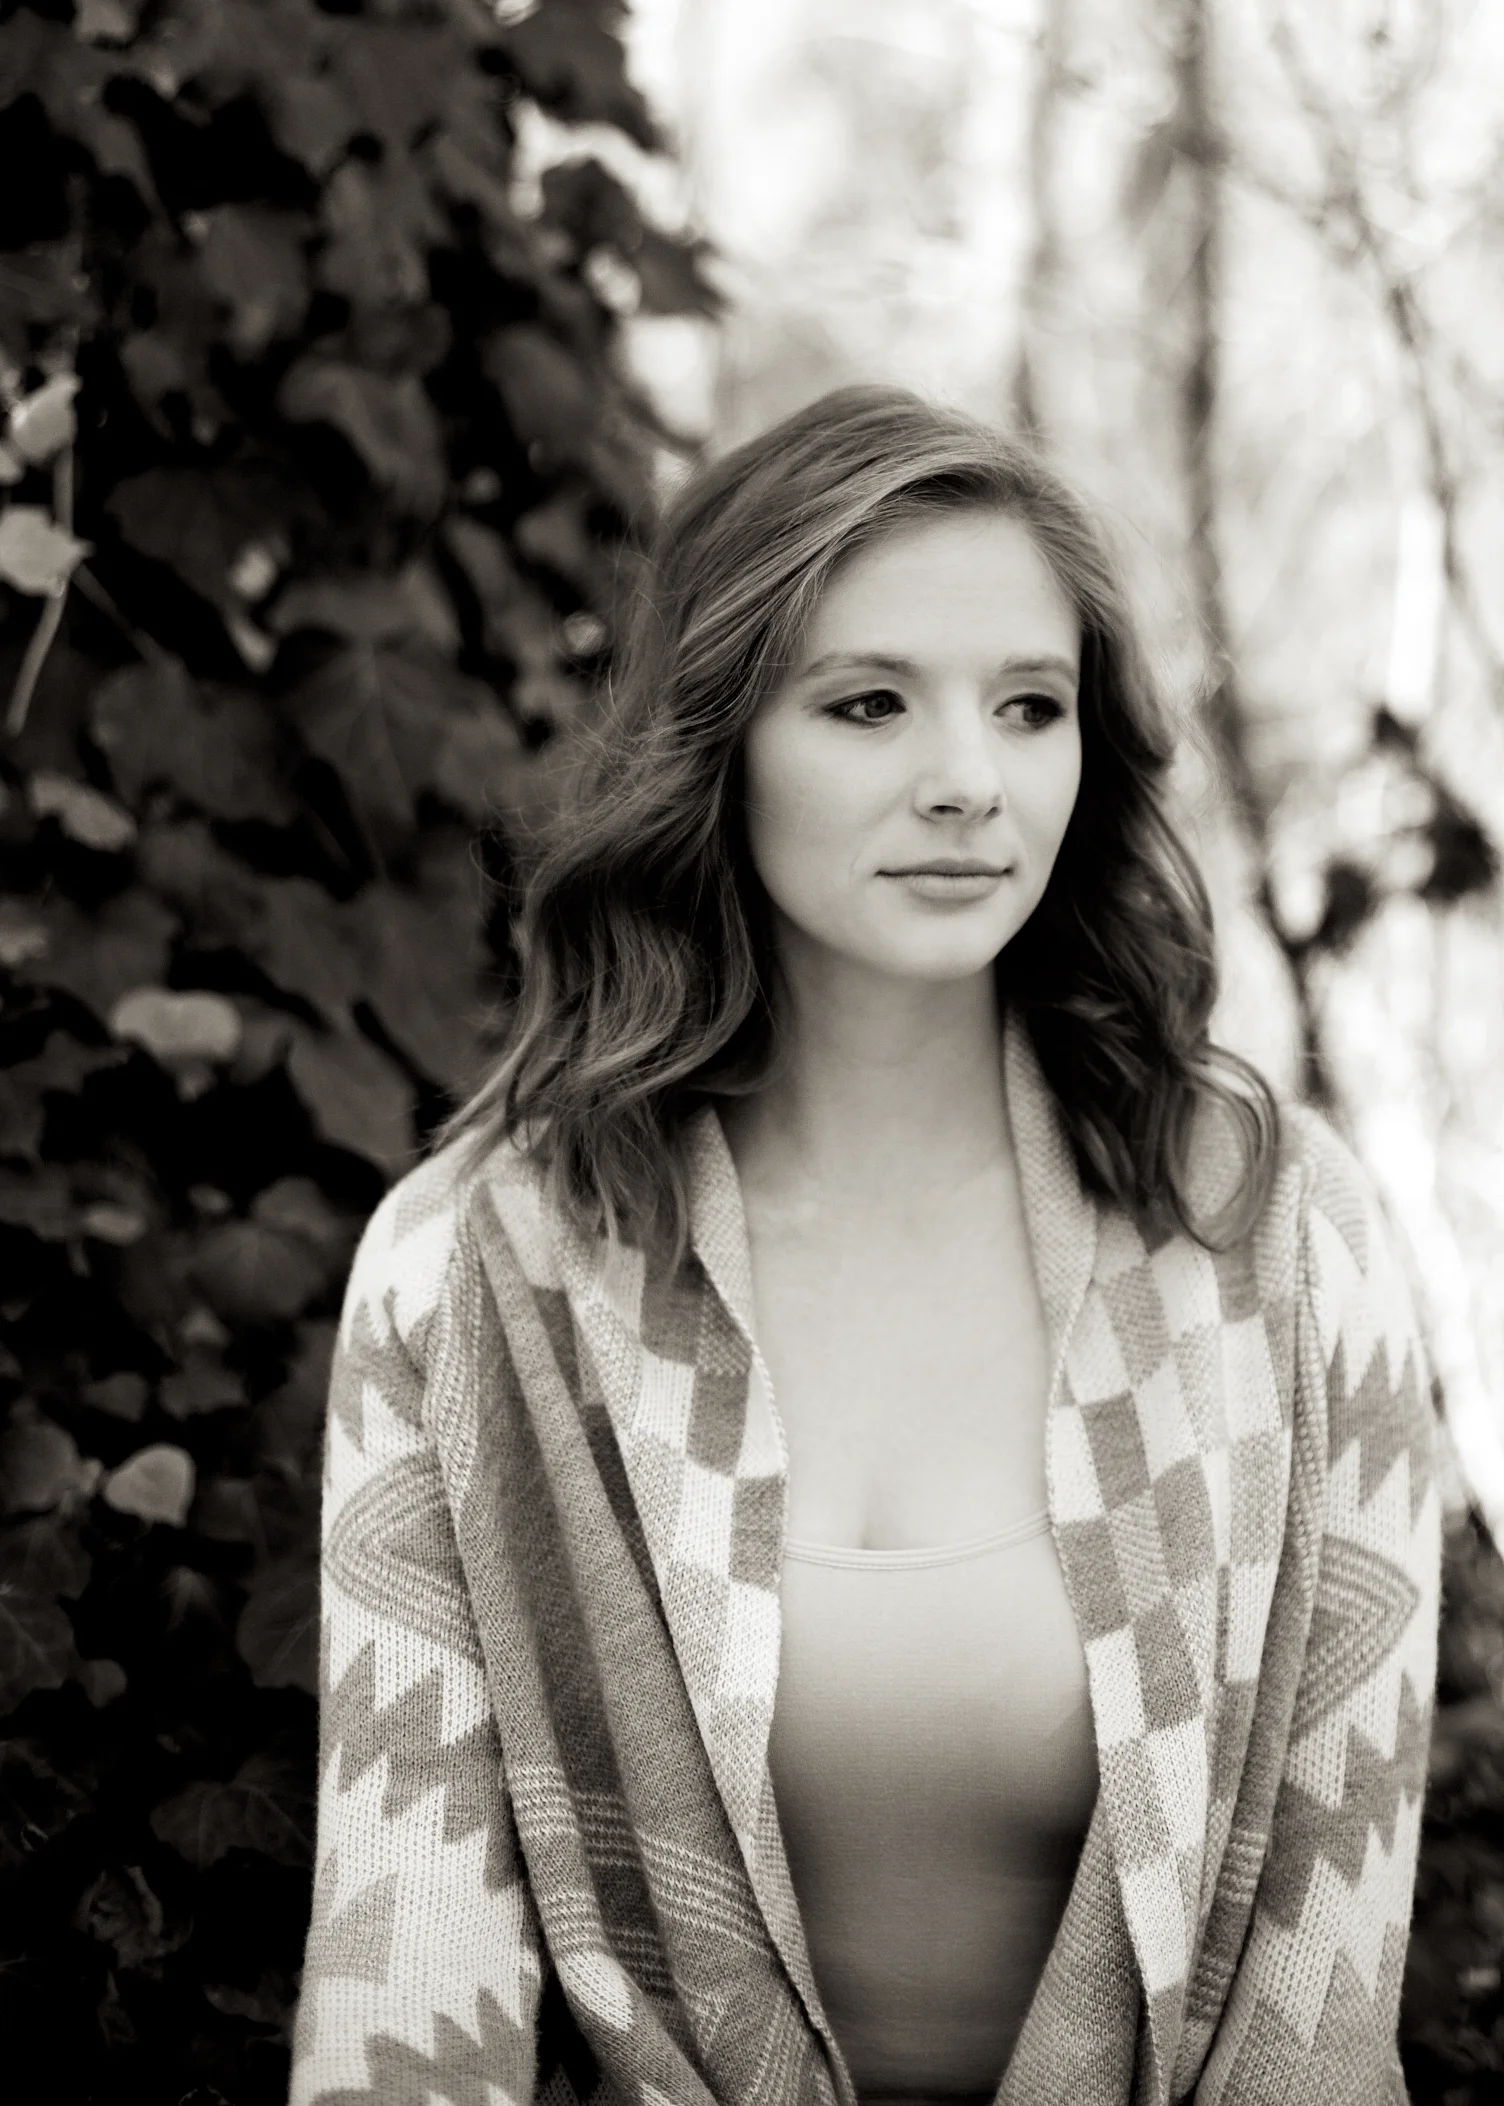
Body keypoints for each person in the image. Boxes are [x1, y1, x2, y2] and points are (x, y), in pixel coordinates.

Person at [289, 388, 1441, 2106]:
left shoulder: (1274, 1234)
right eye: (870, 703)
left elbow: (1320, 2023)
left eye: (1029, 706)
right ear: (720, 740)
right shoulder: (479, 1270)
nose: (969, 781)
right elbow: (406, 1999)